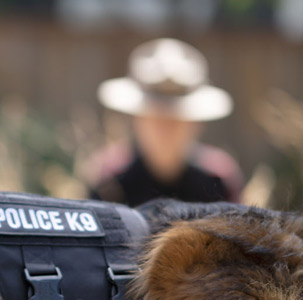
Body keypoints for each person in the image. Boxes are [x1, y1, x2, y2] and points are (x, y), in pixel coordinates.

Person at [84, 38, 243, 207]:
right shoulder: (109, 180)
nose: (165, 129)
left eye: (176, 119)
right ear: (136, 119)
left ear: (196, 123)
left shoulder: (218, 181)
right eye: (156, 117)